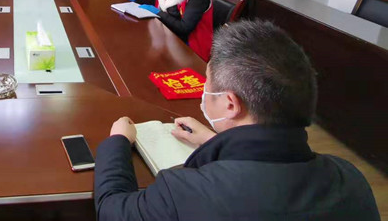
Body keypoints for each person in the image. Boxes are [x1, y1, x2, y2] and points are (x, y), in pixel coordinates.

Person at [94, 20, 380, 221]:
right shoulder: (351, 180)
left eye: (207, 83)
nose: (205, 91)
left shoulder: (188, 192)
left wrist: (118, 141)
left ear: (230, 104)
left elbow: (111, 209)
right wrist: (215, 141)